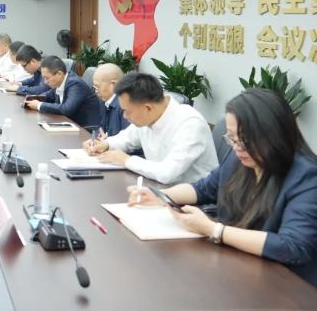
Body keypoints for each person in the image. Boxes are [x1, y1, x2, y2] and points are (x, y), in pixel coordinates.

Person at [127, 89, 317, 287]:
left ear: (274, 135)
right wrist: (161, 195)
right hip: (239, 267)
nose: (237, 147)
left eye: (245, 139)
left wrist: (214, 229)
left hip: (285, 286)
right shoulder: (239, 157)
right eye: (232, 138)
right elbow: (205, 188)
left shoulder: (307, 176)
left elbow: (293, 247)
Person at [84, 72, 218, 184]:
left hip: (192, 201)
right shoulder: (148, 116)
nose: (125, 116)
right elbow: (126, 138)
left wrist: (126, 160)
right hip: (157, 188)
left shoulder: (189, 123)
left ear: (148, 108)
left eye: (127, 111)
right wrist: (106, 144)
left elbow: (167, 173)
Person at [24, 56, 101, 129]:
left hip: (85, 129)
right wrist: (31, 100)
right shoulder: (59, 83)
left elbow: (67, 109)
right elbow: (47, 95)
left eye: (47, 78)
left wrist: (39, 105)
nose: (45, 82)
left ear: (59, 74)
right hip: (70, 124)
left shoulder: (75, 84)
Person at [93, 63, 130, 138]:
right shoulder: (104, 101)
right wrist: (97, 137)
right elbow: (100, 127)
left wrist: (106, 141)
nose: (96, 91)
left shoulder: (125, 105)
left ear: (113, 84)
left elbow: (129, 139)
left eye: (98, 87)